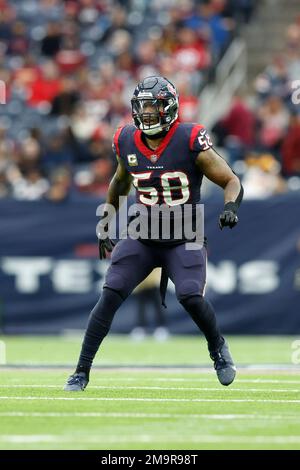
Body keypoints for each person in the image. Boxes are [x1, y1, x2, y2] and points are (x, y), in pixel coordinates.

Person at [64, 76, 243, 391]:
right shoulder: (126, 140)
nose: (147, 112)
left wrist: (231, 207)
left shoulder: (190, 138)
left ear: (169, 107)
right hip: (143, 233)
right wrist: (106, 218)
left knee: (190, 296)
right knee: (110, 293)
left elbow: (231, 180)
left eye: (154, 105)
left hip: (184, 233)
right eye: (143, 105)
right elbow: (121, 180)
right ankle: (80, 371)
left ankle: (217, 347)